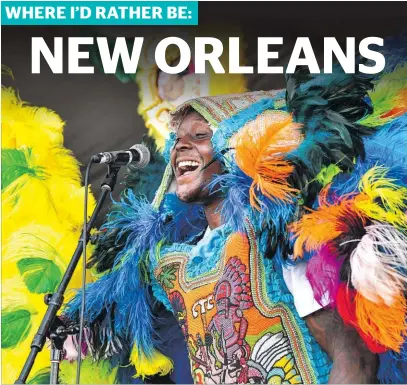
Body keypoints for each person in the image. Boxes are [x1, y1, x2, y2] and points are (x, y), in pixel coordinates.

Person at [65, 63, 407, 384]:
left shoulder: (276, 234)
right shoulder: (170, 266)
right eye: (178, 140)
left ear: (237, 146)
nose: (181, 146)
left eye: (201, 135)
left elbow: (354, 358)